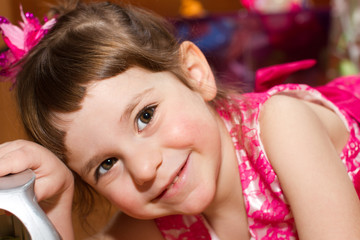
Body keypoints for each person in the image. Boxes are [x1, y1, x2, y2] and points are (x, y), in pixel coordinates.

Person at [0, 1, 359, 239]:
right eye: (107, 164)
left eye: (145, 116)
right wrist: (56, 204)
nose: (143, 168)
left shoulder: (283, 126)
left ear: (194, 73)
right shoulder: (160, 209)